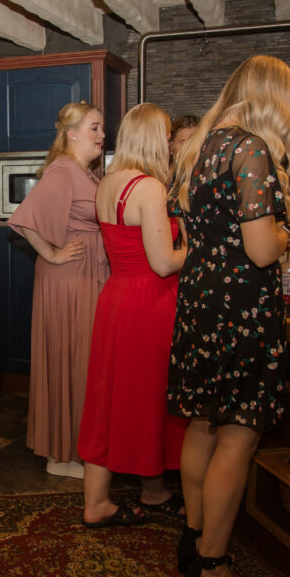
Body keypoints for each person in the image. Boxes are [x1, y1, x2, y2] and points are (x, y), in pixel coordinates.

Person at [166, 56, 290, 577]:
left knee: (203, 423)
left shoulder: (200, 147)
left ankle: (195, 536)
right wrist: (287, 235)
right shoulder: (250, 148)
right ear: (274, 99)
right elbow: (261, 249)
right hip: (240, 307)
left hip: (201, 301)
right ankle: (214, 564)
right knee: (238, 436)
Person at [78, 104, 187, 527]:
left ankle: (138, 493)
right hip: (148, 302)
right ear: (154, 140)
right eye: (167, 137)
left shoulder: (107, 182)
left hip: (116, 297)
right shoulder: (150, 188)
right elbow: (162, 262)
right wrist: (197, 249)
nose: (170, 145)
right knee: (148, 398)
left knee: (109, 398)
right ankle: (121, 499)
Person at [7, 101, 109, 478]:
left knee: (81, 361)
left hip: (83, 274)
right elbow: (24, 220)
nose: (102, 135)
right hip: (69, 278)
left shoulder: (85, 172)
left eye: (101, 128)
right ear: (72, 134)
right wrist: (51, 253)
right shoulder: (64, 170)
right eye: (95, 128)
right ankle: (62, 456)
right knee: (70, 360)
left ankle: (75, 449)